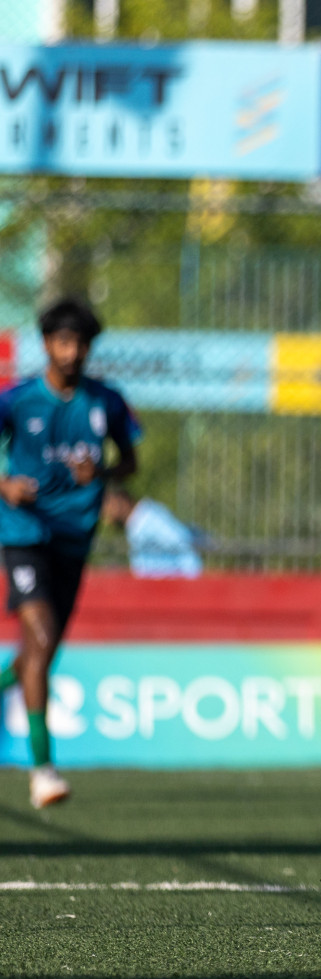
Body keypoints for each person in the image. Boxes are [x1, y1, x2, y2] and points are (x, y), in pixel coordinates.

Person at [0, 299, 138, 808]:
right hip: (24, 532)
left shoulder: (107, 403)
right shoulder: (18, 401)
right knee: (39, 636)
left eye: (80, 343)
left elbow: (130, 462)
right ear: (46, 345)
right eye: (63, 342)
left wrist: (100, 475)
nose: (72, 351)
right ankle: (43, 771)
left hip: (75, 540)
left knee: (43, 652)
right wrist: (5, 484)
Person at [102, 489, 203, 578]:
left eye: (106, 503)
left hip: (175, 588)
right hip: (156, 590)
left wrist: (188, 585)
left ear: (121, 499)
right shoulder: (135, 524)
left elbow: (182, 542)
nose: (104, 512)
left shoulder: (149, 518)